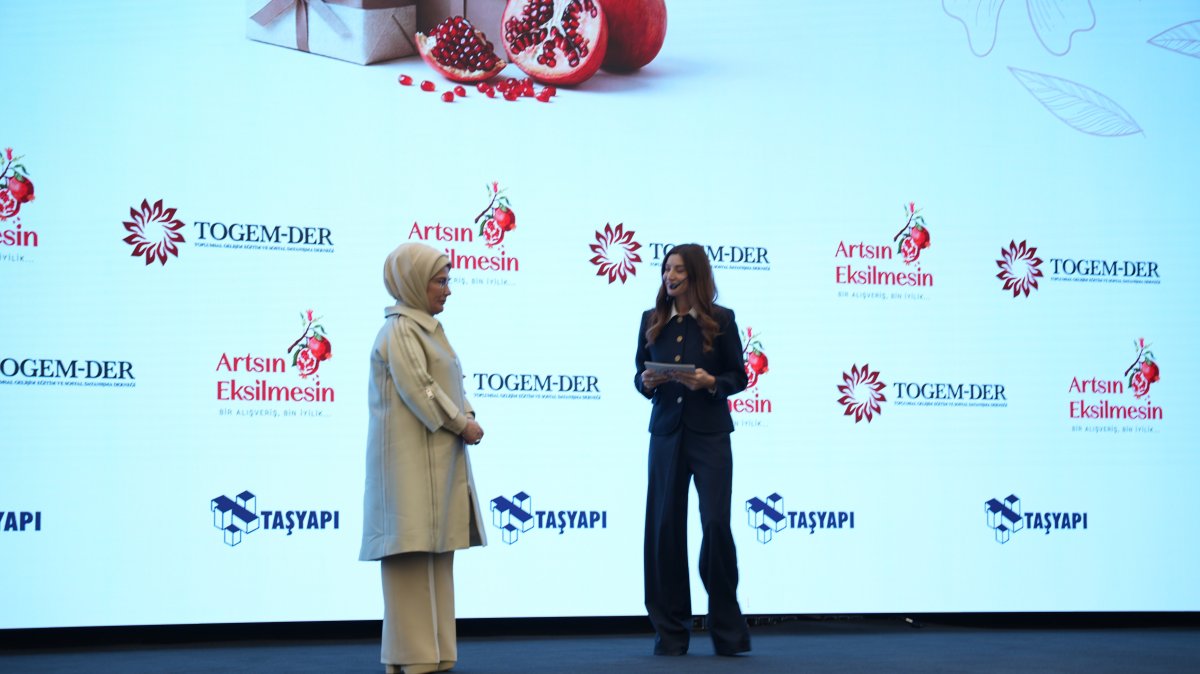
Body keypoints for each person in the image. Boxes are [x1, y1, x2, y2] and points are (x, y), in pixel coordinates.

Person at [360, 242, 487, 674]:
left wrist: (467, 413)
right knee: (410, 556)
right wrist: (460, 422)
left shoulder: (429, 329)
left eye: (448, 279)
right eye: (440, 280)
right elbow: (422, 388)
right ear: (414, 283)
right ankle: (413, 656)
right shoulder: (399, 330)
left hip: (438, 464)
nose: (448, 290)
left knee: (435, 554)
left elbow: (450, 384)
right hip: (408, 469)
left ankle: (435, 652)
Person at [635, 243, 752, 657]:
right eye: (667, 268)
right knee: (664, 529)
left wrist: (711, 383)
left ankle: (728, 630)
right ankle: (670, 632)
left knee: (716, 524)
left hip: (710, 434)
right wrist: (646, 383)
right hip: (666, 434)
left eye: (680, 269)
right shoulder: (652, 321)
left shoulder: (722, 320)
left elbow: (739, 375)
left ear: (696, 275)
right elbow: (638, 373)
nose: (671, 276)